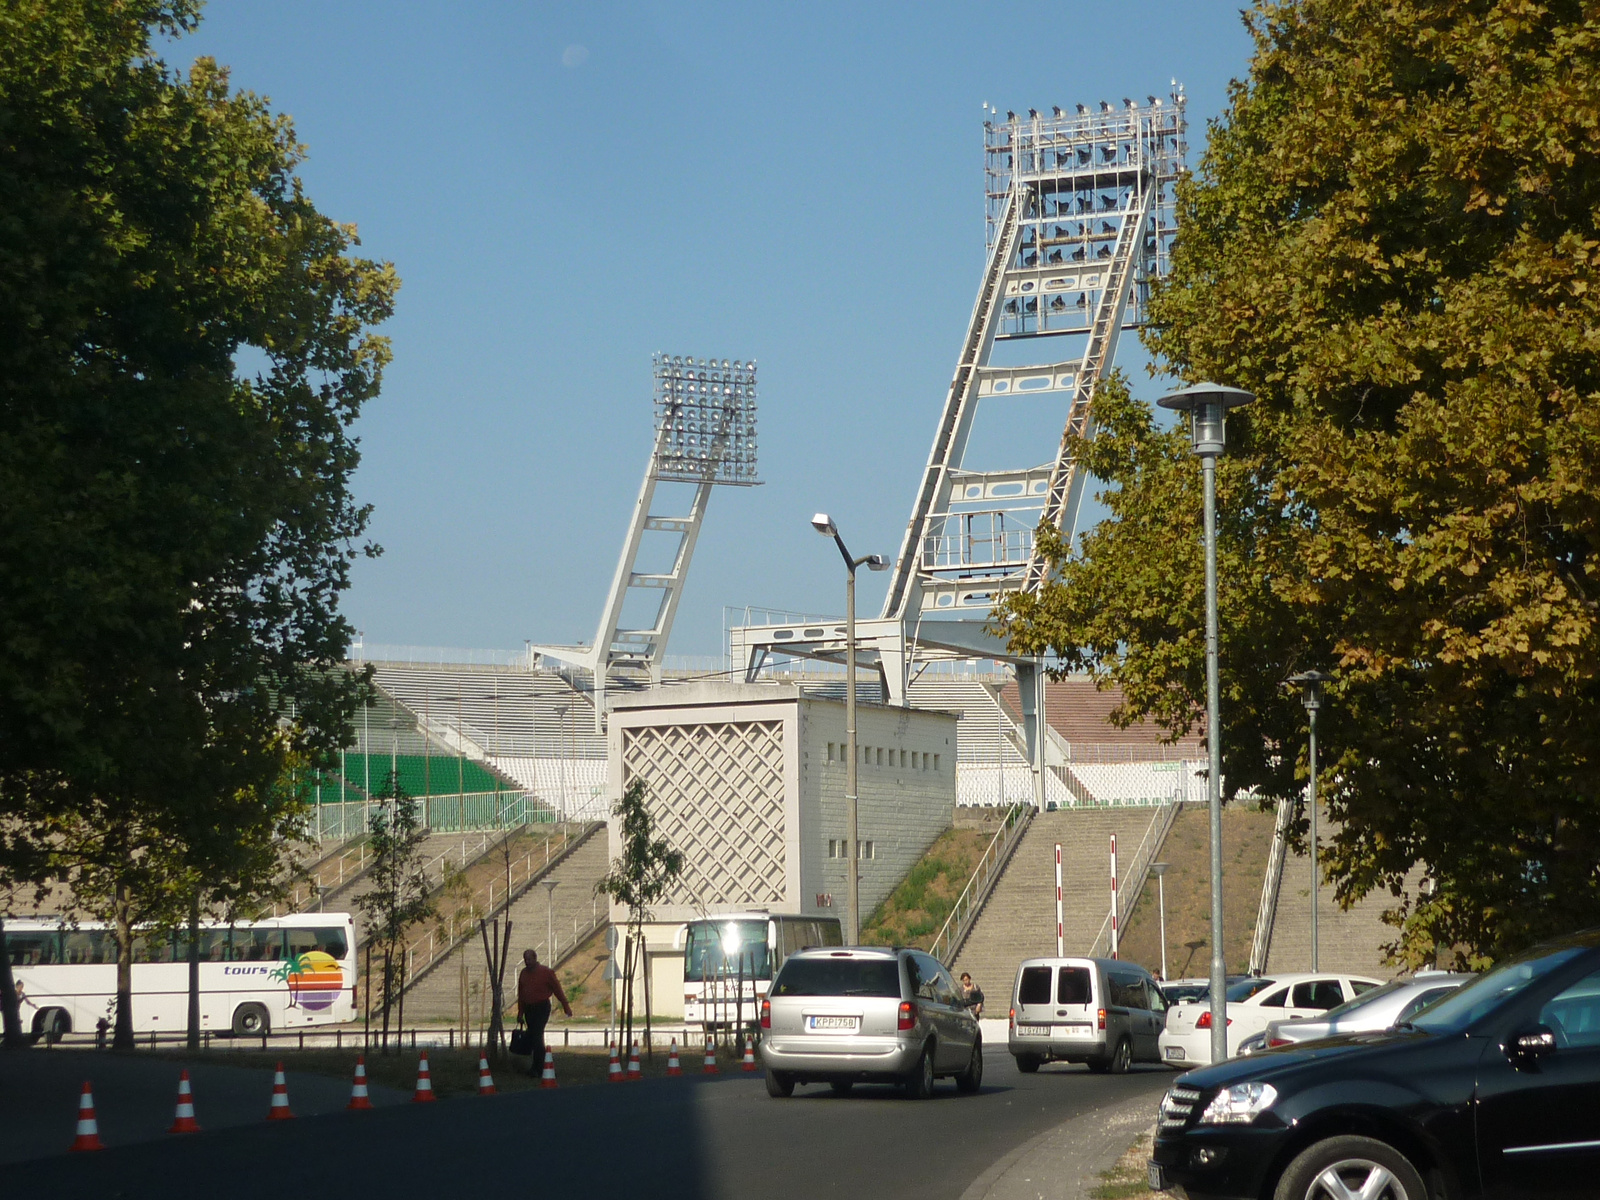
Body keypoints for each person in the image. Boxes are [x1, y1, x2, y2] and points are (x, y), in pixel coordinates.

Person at [516, 948, 572, 1073]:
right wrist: (520, 1013)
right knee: (534, 1035)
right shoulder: (523, 974)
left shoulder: (546, 972)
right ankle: (538, 1066)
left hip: (541, 1007)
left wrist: (565, 1005)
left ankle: (538, 1067)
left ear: (535, 959)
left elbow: (557, 989)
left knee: (537, 1034)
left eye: (530, 959)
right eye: (526, 959)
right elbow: (521, 995)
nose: (527, 962)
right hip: (529, 1009)